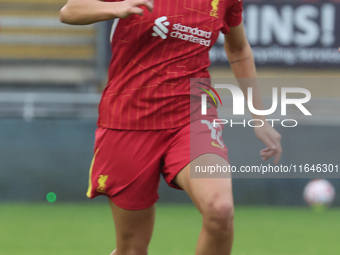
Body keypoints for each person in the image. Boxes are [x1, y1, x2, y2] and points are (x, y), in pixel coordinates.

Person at [60, 1, 282, 254]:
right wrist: (117, 8)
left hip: (192, 117)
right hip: (127, 121)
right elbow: (69, 12)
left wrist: (260, 117)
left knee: (220, 210)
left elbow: (239, 47)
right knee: (132, 248)